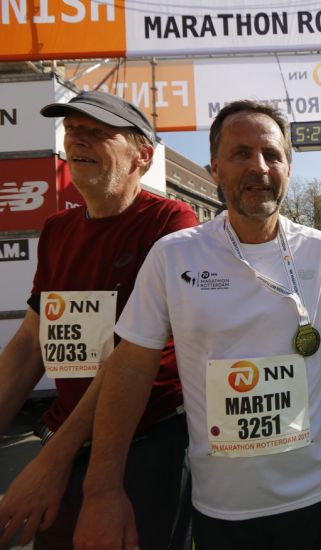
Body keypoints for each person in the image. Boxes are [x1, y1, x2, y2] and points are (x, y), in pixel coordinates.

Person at [72, 100, 321, 549]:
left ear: (288, 169)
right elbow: (130, 368)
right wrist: (102, 488)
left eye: (272, 155)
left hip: (319, 491)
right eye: (241, 153)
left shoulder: (320, 251)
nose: (259, 167)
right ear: (215, 169)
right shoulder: (173, 256)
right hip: (222, 506)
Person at [0, 91, 198, 549]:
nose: (77, 140)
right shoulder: (57, 230)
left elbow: (130, 359)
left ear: (142, 157)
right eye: (71, 130)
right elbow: (31, 342)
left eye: (96, 132)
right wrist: (58, 455)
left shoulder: (172, 224)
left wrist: (52, 462)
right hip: (65, 444)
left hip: (146, 449)